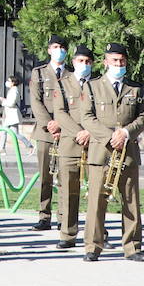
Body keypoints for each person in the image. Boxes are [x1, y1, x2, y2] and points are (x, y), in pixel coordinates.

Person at [78, 43, 144, 262]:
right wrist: (111, 136)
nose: (118, 65)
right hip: (101, 152)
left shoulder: (135, 89)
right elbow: (87, 117)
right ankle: (93, 246)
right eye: (114, 60)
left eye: (122, 61)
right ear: (105, 62)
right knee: (97, 202)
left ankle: (132, 247)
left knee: (130, 201)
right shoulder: (92, 87)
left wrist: (126, 133)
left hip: (127, 152)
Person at [52, 44, 94, 251]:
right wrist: (78, 132)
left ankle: (97, 231)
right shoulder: (62, 84)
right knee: (68, 190)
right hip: (70, 143)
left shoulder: (98, 84)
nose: (84, 65)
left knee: (96, 191)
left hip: (95, 142)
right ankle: (68, 234)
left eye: (87, 61)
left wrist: (90, 132)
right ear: (74, 62)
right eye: (80, 61)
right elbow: (59, 113)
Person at [27, 35, 68, 232]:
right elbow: (35, 101)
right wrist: (50, 124)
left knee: (64, 176)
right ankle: (44, 215)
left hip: (66, 131)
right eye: (55, 46)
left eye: (62, 47)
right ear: (49, 50)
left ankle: (63, 216)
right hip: (45, 132)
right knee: (45, 176)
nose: (59, 50)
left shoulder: (71, 73)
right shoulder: (39, 73)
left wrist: (62, 124)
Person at [0, 73, 22, 150]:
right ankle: (2, 148)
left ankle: (29, 145)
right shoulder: (12, 90)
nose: (7, 82)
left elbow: (11, 103)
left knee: (14, 134)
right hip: (8, 114)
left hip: (11, 114)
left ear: (13, 83)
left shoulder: (14, 91)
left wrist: (3, 101)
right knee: (4, 131)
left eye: (9, 81)